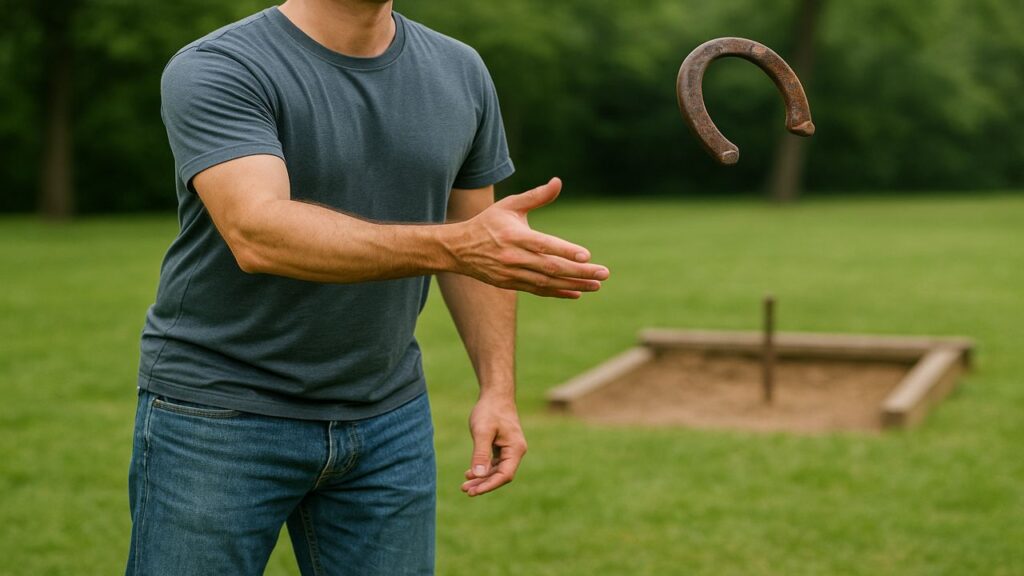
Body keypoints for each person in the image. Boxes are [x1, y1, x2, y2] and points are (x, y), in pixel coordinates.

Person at [125, 0, 609, 574]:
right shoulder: (221, 65)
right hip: (219, 415)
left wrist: (498, 391)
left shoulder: (460, 69)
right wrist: (456, 246)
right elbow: (258, 233)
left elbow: (481, 246)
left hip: (388, 421)